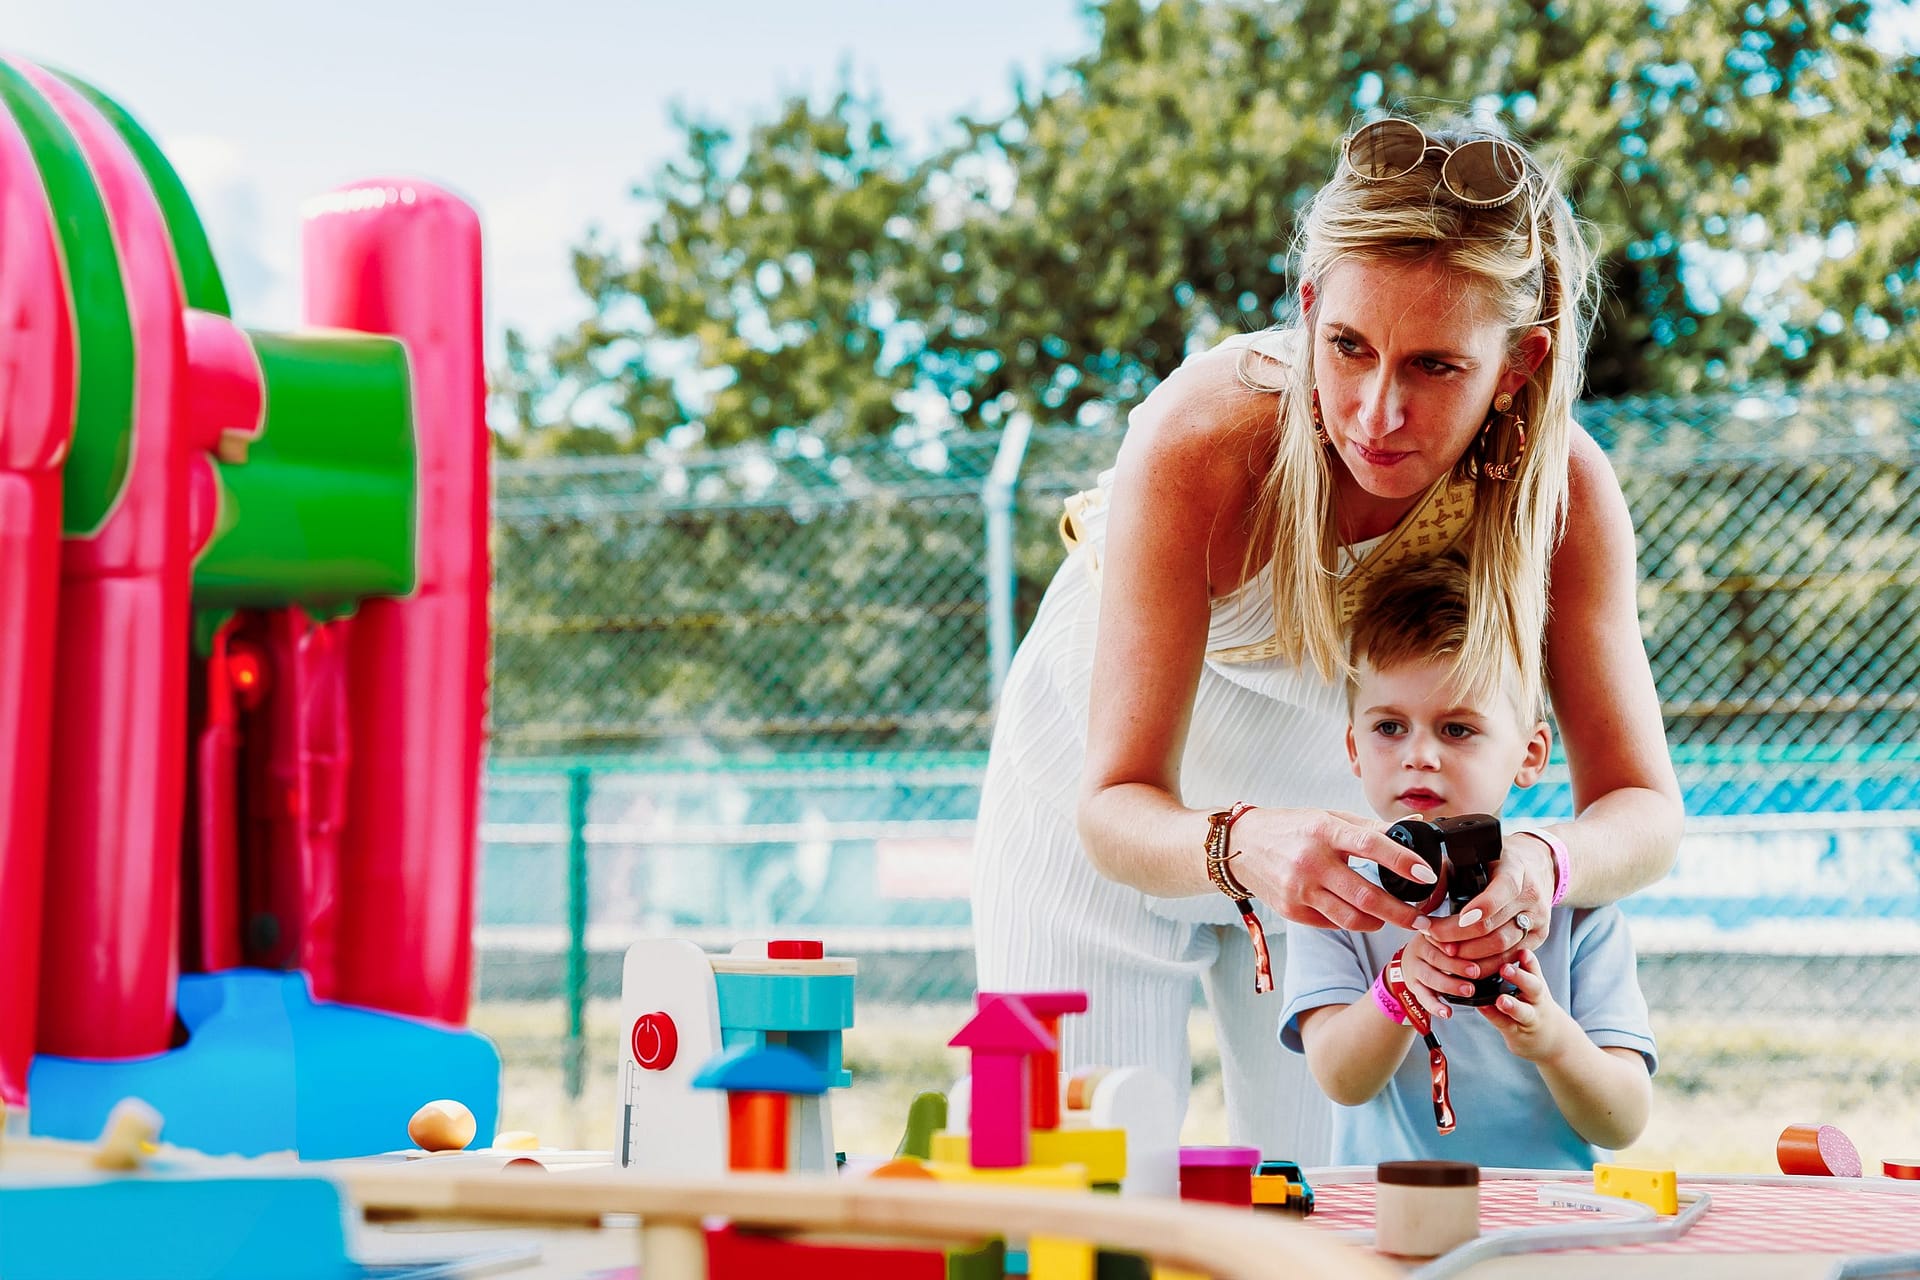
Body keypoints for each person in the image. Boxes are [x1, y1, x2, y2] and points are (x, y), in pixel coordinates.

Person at [970, 115, 1683, 1162]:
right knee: (1073, 1182)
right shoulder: (1205, 436)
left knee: (1323, 1205)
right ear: (1308, 307)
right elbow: (1115, 802)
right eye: (1348, 346)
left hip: (1342, 839)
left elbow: (1645, 810)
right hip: (1109, 814)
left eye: (1436, 365)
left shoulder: (1561, 493)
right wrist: (1239, 845)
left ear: (1518, 362)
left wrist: (1542, 861)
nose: (1377, 412)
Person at [1280, 554, 1654, 1167]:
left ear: (1530, 753)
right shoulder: (1337, 898)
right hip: (1393, 1216)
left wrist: (1553, 1040)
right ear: (1354, 747)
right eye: (1389, 727)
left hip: (1548, 1217)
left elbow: (1624, 1121)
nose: (1419, 755)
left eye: (1457, 729)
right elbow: (1341, 1080)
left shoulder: (1576, 910)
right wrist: (1399, 989)